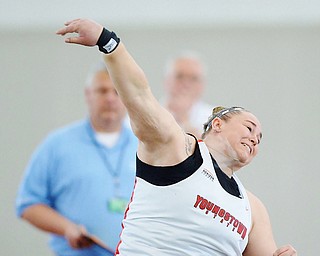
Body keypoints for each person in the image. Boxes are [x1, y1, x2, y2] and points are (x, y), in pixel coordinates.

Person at [56, 18, 297, 256]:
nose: (255, 138)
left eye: (260, 138)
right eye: (249, 127)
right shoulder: (177, 149)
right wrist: (107, 40)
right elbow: (139, 95)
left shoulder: (253, 209)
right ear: (218, 124)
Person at [15, 62, 138, 256]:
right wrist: (66, 228)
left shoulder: (144, 147)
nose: (110, 98)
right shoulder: (58, 145)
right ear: (88, 94)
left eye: (117, 91)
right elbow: (28, 204)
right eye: (102, 91)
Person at [162, 51, 213, 138]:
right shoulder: (147, 113)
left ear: (202, 84)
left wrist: (184, 119)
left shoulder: (213, 118)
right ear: (166, 80)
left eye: (194, 78)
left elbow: (208, 150)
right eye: (179, 76)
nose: (186, 84)